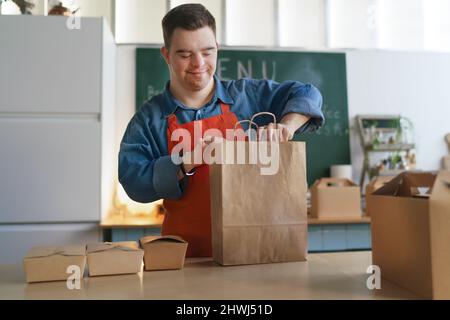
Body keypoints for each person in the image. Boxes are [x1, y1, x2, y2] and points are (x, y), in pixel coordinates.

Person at [119, 3, 324, 258]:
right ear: (166, 54)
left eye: (207, 51)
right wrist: (183, 163)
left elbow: (307, 93)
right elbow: (132, 180)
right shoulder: (149, 119)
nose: (198, 63)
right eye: (185, 54)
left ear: (217, 48)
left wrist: (286, 126)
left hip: (254, 253)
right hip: (186, 259)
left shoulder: (248, 97)